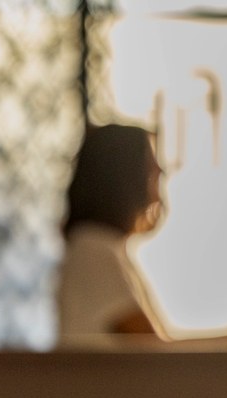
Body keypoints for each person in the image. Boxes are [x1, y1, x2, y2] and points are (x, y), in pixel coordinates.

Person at [57, 123, 165, 339]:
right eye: (150, 171)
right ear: (126, 179)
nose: (159, 174)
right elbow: (150, 348)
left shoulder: (101, 247)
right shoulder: (93, 249)